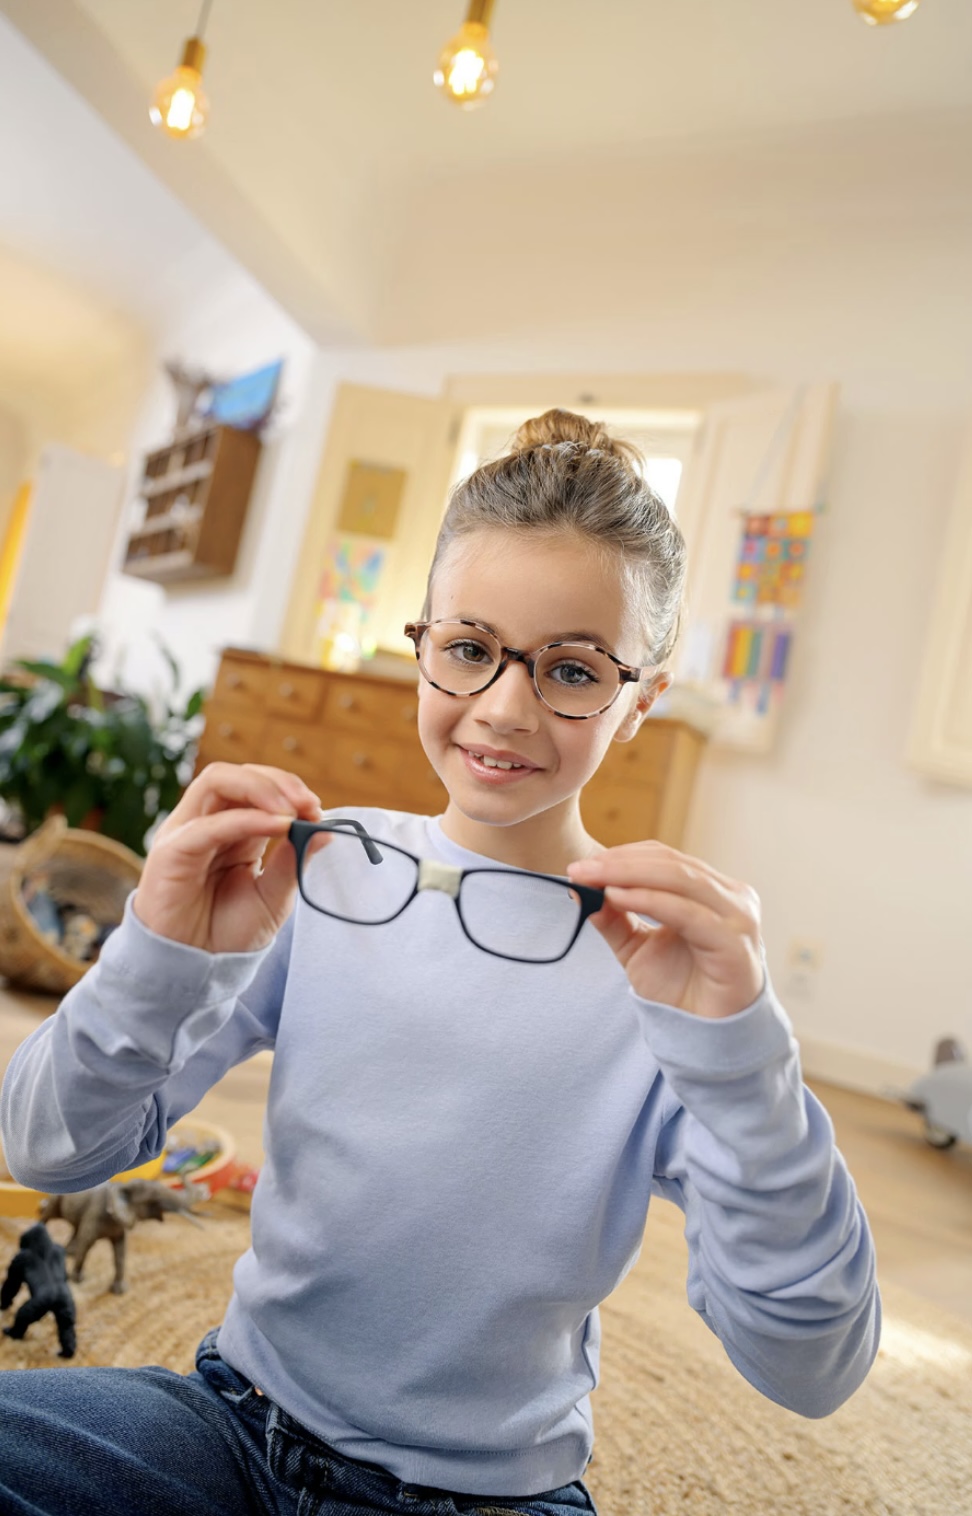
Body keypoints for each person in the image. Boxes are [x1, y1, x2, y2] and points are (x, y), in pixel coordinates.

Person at [0, 410, 880, 1516]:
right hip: (233, 1424)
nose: (503, 707)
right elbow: (47, 1145)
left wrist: (747, 1066)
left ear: (642, 697)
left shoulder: (669, 974)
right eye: (468, 648)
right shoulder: (319, 877)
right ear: (420, 645)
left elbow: (813, 1368)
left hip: (493, 1496)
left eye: (573, 669)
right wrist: (163, 954)